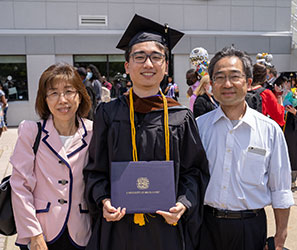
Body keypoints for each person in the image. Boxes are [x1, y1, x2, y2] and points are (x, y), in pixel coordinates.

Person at [83, 14, 209, 250]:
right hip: (118, 228)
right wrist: (103, 200)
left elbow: (194, 172)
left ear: (166, 66)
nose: (148, 64)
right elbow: (94, 170)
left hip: (166, 228)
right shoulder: (108, 114)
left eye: (156, 57)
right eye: (139, 57)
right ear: (127, 66)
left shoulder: (180, 117)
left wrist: (183, 204)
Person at [196, 46, 294, 250]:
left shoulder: (269, 130)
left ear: (248, 82)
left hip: (250, 227)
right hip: (204, 226)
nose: (227, 84)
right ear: (211, 85)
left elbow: (280, 188)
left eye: (235, 76)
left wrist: (280, 237)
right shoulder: (198, 127)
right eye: (220, 77)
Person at [10, 63, 93, 250]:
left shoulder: (93, 131)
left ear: (79, 96)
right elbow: (19, 186)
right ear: (45, 100)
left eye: (69, 91)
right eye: (54, 93)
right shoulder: (31, 131)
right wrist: (34, 233)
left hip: (81, 231)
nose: (62, 100)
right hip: (42, 231)